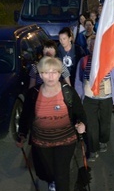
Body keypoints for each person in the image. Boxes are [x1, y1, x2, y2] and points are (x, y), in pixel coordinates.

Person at [16, 56, 87, 191]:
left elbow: (80, 113)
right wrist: (22, 134)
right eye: (46, 72)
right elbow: (25, 116)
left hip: (66, 140)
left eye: (54, 72)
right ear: (41, 75)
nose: (50, 76)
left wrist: (82, 124)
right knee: (47, 172)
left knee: (61, 173)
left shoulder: (68, 91)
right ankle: (52, 180)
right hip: (41, 142)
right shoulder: (33, 94)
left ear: (59, 74)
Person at [75, 36, 114, 161]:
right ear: (89, 47)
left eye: (97, 46)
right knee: (91, 125)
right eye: (92, 45)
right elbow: (79, 81)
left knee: (105, 123)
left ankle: (103, 140)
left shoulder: (109, 61)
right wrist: (79, 97)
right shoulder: (83, 61)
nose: (94, 48)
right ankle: (93, 149)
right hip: (89, 99)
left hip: (106, 97)